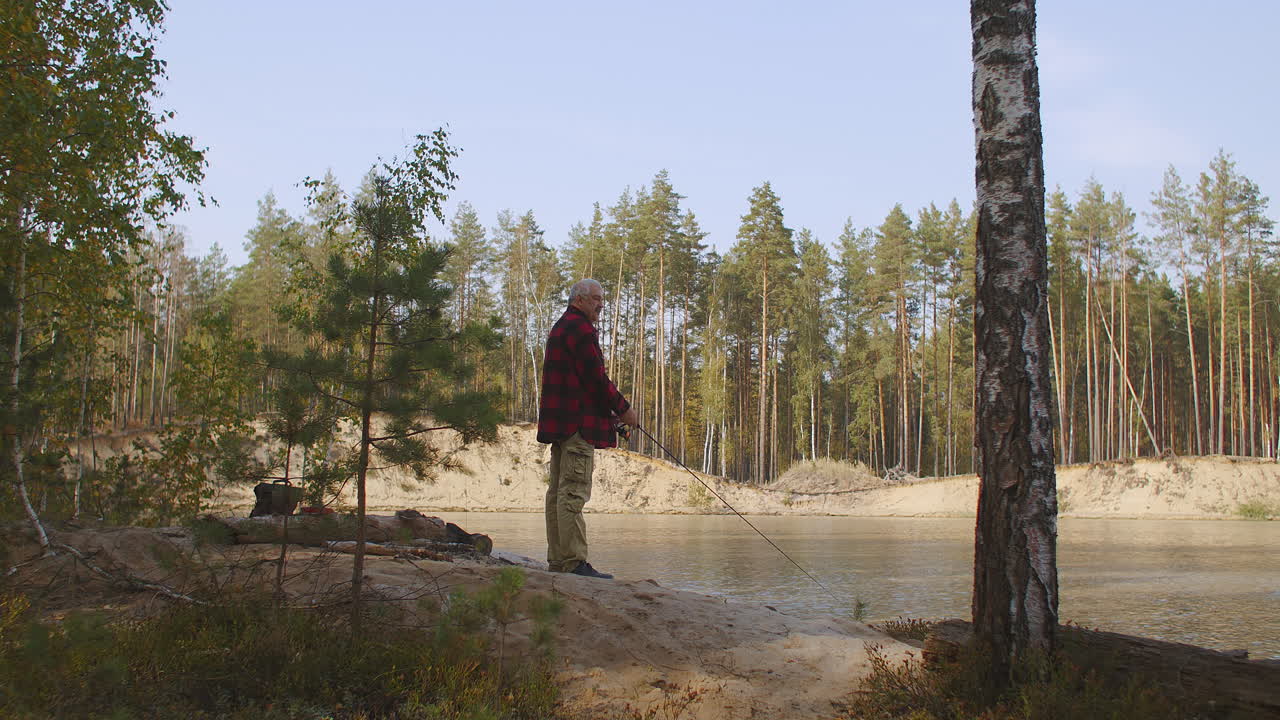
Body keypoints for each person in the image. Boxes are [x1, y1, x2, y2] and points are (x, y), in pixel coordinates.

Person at [537, 278, 638, 580]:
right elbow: (596, 380)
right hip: (577, 428)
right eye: (596, 298)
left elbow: (581, 384)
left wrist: (612, 417)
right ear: (578, 299)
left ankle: (559, 562)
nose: (601, 305)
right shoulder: (580, 330)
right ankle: (574, 563)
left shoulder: (561, 328)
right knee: (572, 493)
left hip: (562, 426)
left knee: (557, 494)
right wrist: (624, 409)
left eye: (602, 299)